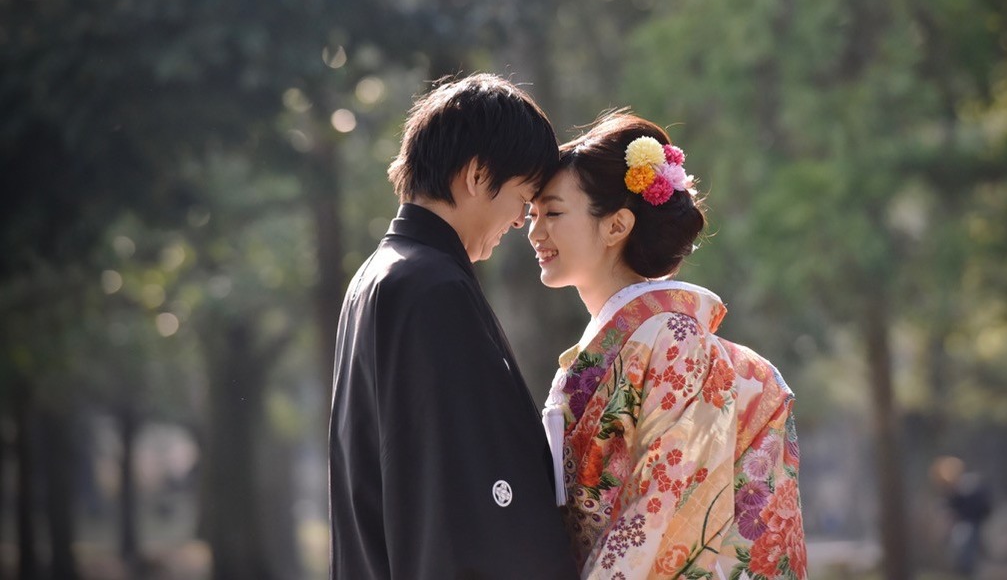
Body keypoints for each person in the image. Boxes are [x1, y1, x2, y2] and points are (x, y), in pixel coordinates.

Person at [527, 110, 807, 579]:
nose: (535, 232)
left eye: (553, 213)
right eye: (532, 214)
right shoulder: (629, 343)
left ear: (616, 226)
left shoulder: (675, 342)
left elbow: (660, 516)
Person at [328, 73, 578, 579]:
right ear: (477, 174)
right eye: (523, 197)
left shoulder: (379, 276)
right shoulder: (430, 286)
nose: (520, 223)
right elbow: (461, 485)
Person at [929, 455, 991, 577]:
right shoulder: (956, 489)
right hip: (965, 524)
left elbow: (977, 506)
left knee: (966, 556)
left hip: (970, 523)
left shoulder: (967, 485)